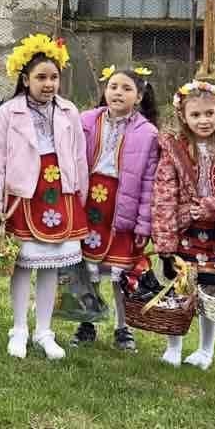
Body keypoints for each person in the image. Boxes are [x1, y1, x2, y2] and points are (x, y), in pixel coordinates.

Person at [0, 35, 87, 360]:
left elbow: (79, 157)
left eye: (54, 77)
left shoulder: (69, 111)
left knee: (50, 265)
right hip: (24, 194)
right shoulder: (9, 112)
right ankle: (19, 328)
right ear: (25, 79)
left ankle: (44, 330)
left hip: (59, 193)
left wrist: (80, 195)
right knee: (22, 264)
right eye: (41, 77)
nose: (48, 84)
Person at [150, 79, 215, 369]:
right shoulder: (174, 148)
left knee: (210, 290)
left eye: (209, 113)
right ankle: (174, 346)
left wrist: (208, 207)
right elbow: (164, 192)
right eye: (195, 115)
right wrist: (165, 238)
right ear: (183, 116)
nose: (203, 120)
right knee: (179, 288)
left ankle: (206, 350)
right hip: (184, 230)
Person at [78, 65, 161, 352]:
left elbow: (149, 183)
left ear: (139, 96)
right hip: (90, 204)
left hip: (123, 207)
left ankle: (123, 327)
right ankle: (86, 322)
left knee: (120, 271)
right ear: (105, 90)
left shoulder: (148, 133)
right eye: (113, 86)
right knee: (87, 268)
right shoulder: (86, 121)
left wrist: (143, 224)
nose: (118, 93)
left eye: (127, 88)